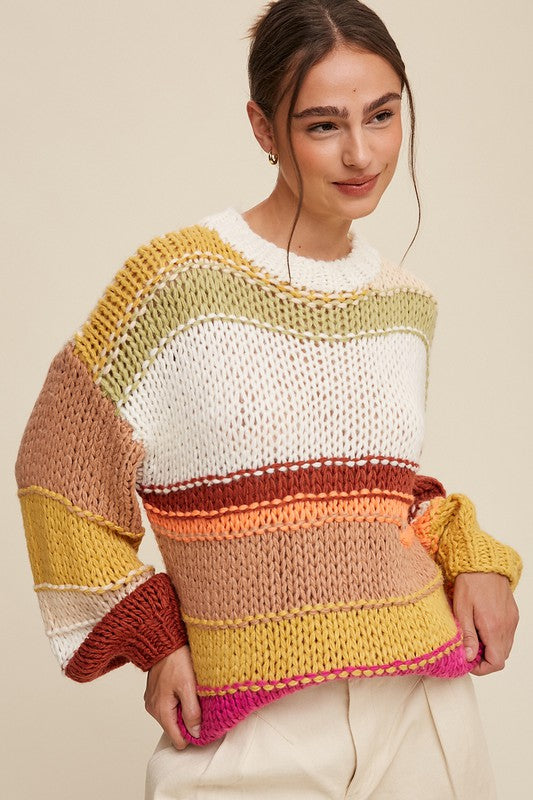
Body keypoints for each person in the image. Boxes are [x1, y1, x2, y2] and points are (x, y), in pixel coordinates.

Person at [14, 1, 522, 798]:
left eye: (381, 115)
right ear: (262, 128)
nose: (360, 153)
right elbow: (56, 474)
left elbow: (372, 497)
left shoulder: (405, 302)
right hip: (253, 725)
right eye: (322, 125)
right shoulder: (175, 284)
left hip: (420, 707)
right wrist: (155, 639)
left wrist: (473, 555)